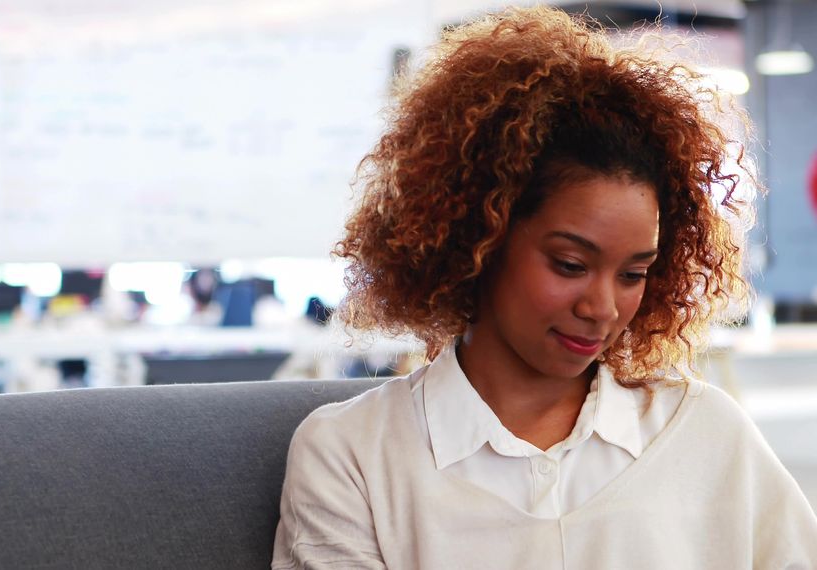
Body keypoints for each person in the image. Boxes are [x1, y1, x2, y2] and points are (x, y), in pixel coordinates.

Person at [271, 6, 817, 569]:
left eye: (633, 274)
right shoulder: (354, 455)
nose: (602, 308)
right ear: (479, 239)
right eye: (569, 264)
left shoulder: (703, 433)